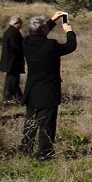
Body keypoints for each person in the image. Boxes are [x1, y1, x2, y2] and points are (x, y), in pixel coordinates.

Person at [20, 12, 76, 159]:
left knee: (30, 121)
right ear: (44, 30)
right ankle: (45, 152)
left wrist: (51, 21)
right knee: (47, 124)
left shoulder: (26, 43)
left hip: (32, 89)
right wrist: (69, 31)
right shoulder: (50, 45)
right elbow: (70, 46)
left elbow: (38, 34)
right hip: (48, 90)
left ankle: (25, 148)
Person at [0, 16, 25, 104]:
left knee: (13, 79)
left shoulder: (10, 32)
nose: (21, 25)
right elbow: (16, 46)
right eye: (20, 23)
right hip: (12, 61)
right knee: (12, 79)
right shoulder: (13, 33)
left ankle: (18, 96)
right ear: (16, 24)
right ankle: (8, 96)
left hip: (11, 60)